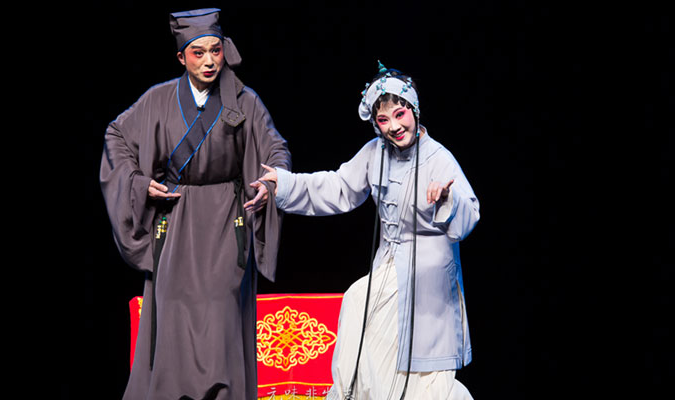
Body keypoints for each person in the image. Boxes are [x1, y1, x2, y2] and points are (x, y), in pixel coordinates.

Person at [99, 8, 291, 400]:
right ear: (181, 58)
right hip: (176, 219)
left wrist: (271, 181)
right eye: (198, 52)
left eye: (215, 51)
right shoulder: (158, 99)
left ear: (225, 51)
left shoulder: (244, 100)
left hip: (225, 223)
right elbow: (116, 134)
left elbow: (275, 147)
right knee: (174, 316)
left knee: (220, 318)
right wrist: (138, 183)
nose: (208, 61)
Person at [257, 64, 479, 399]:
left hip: (427, 276)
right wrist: (285, 182)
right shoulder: (375, 153)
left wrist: (447, 200)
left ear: (414, 110)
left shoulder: (438, 158)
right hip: (388, 266)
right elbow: (338, 186)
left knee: (421, 375)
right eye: (383, 120)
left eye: (399, 114)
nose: (393, 127)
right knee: (359, 309)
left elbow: (470, 215)